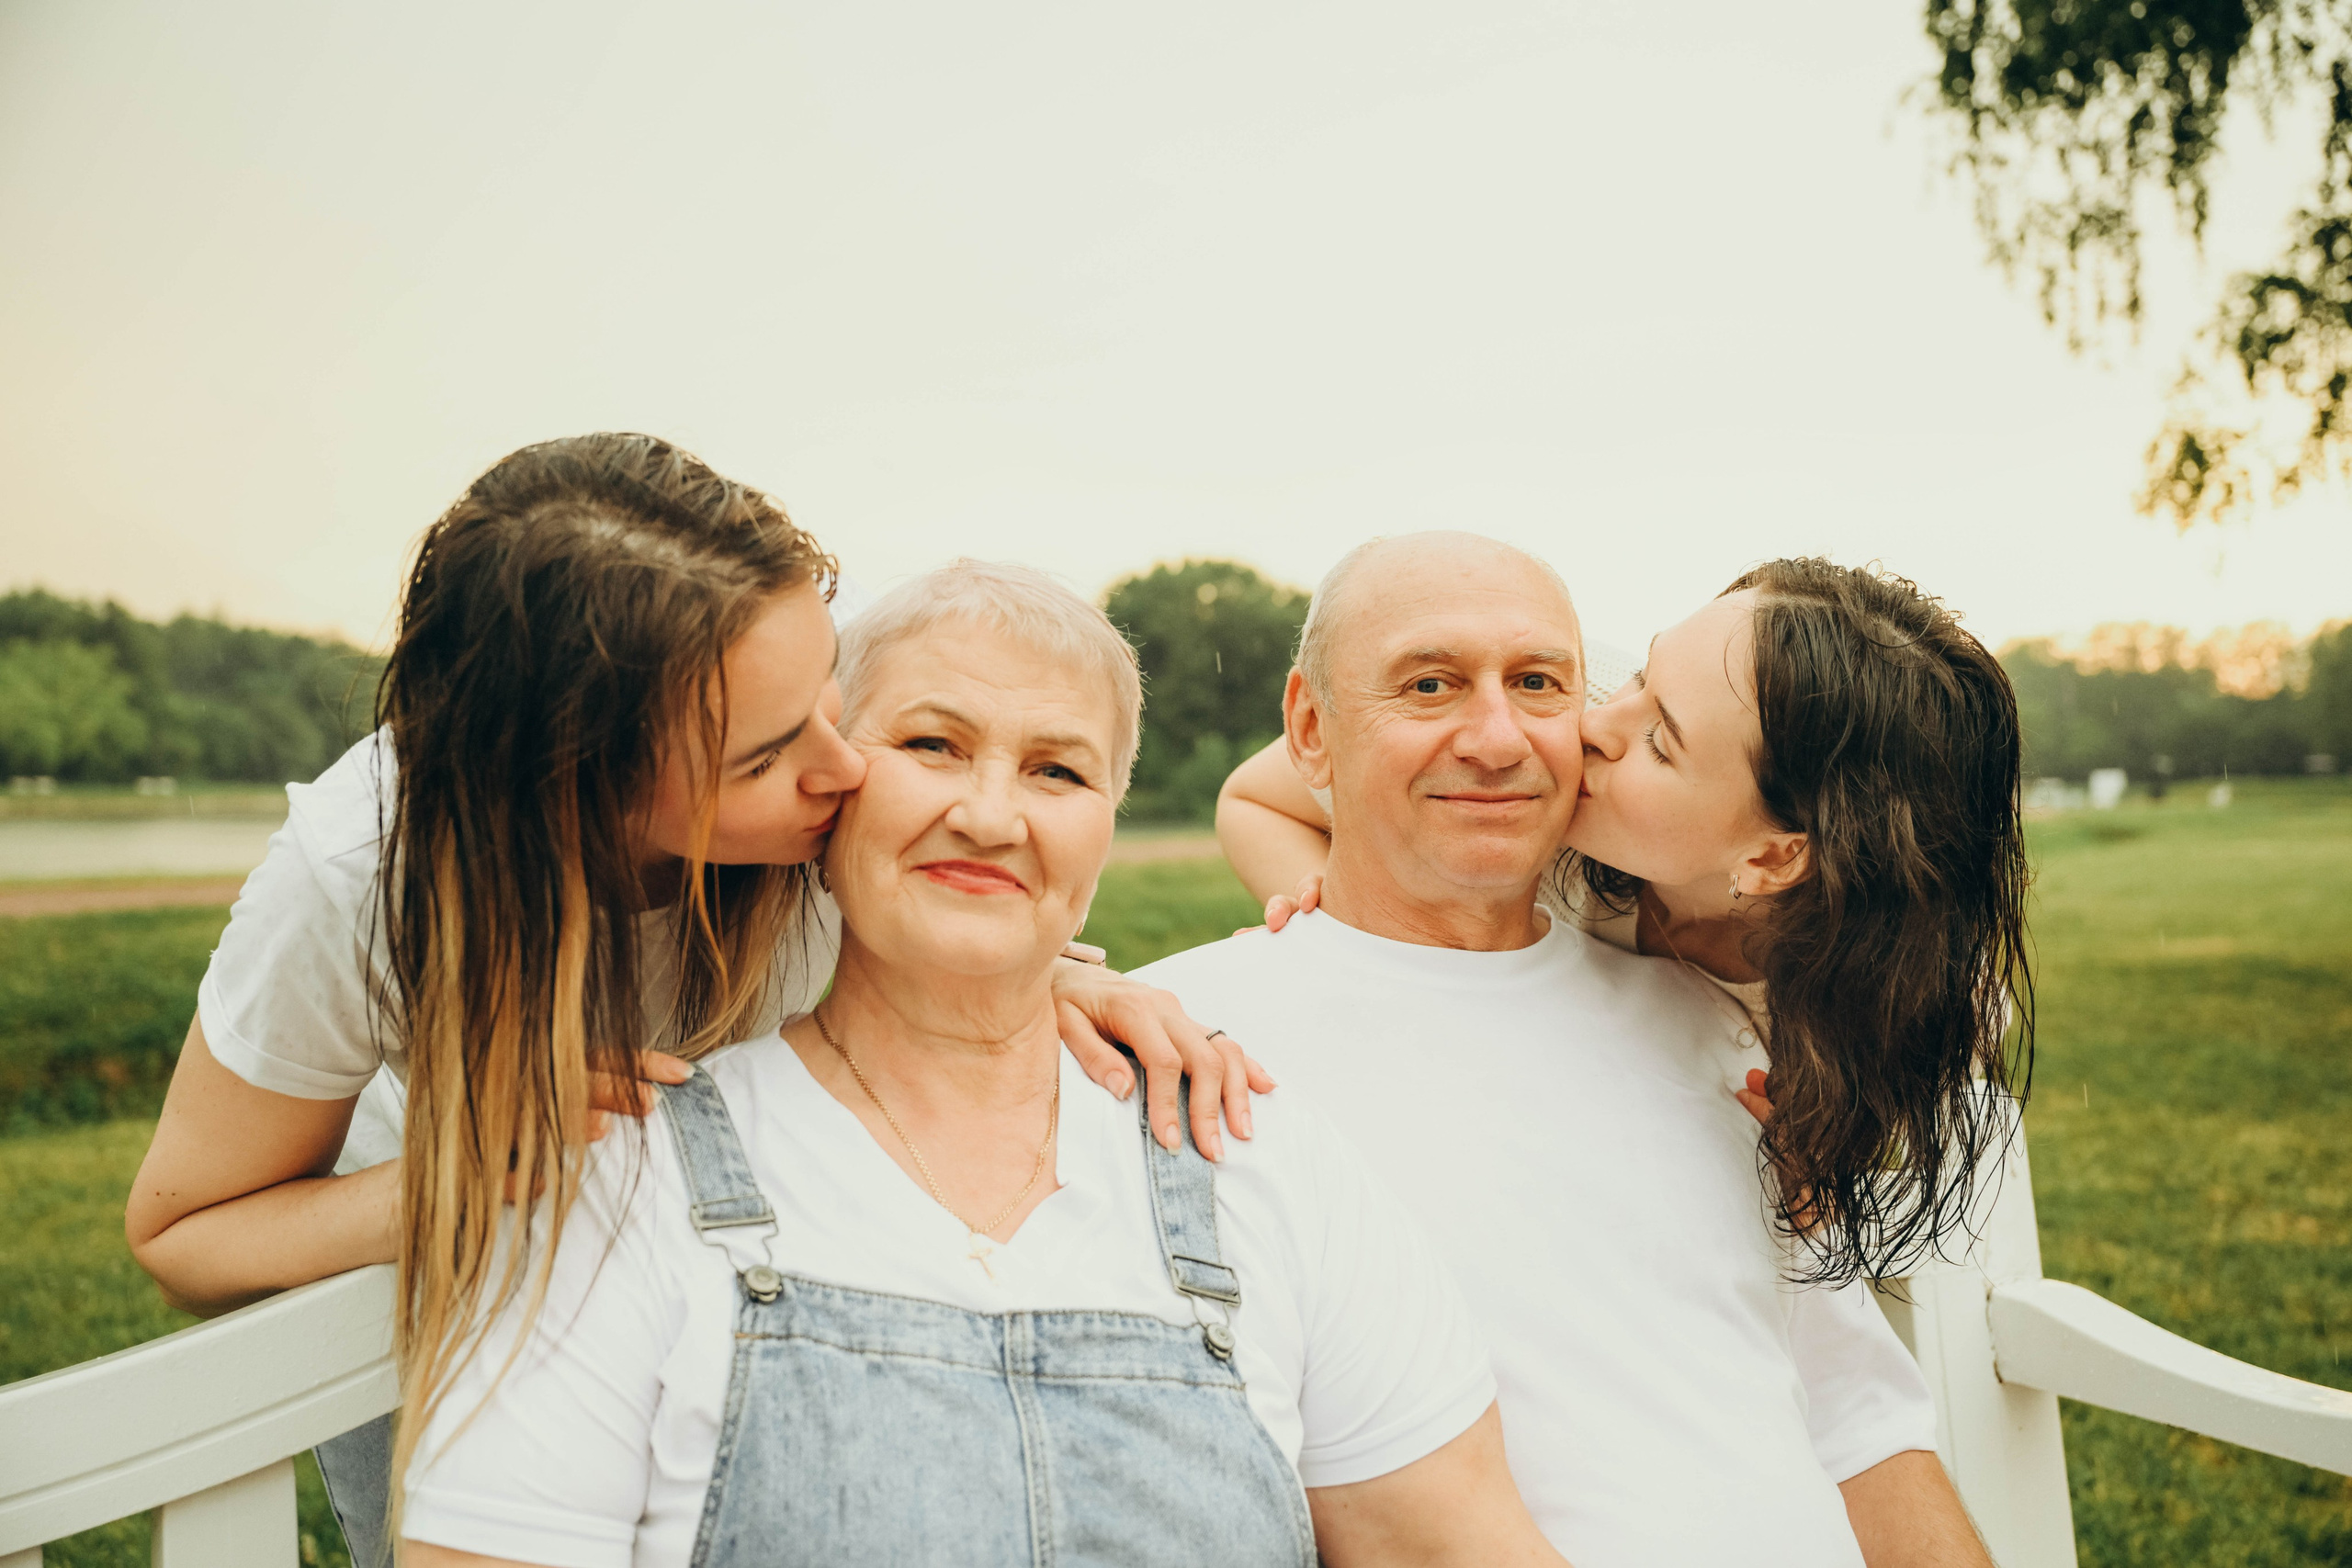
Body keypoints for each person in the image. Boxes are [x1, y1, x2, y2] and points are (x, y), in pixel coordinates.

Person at [122, 435, 1261, 1566]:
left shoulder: (784, 681)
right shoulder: (365, 871)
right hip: (477, 1261)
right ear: (583, 789)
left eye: (829, 699)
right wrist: (473, 1172)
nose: (847, 766)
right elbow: (184, 1235)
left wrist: (1056, 976)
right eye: (764, 758)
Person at [400, 560, 1566, 1568]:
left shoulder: (1255, 1156)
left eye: (1058, 772)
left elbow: (1461, 1542)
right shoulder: (628, 1181)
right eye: (930, 746)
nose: (990, 813)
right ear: (829, 790)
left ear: (1106, 822)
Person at [1154, 533, 2019, 1565]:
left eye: (1540, 686)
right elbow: (1272, 799)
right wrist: (1306, 920)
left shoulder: (1759, 1042)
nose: (1561, 735)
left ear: (1772, 856)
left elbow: (1863, 1425)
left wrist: (1818, 1147)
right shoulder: (1188, 1033)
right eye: (1429, 685)